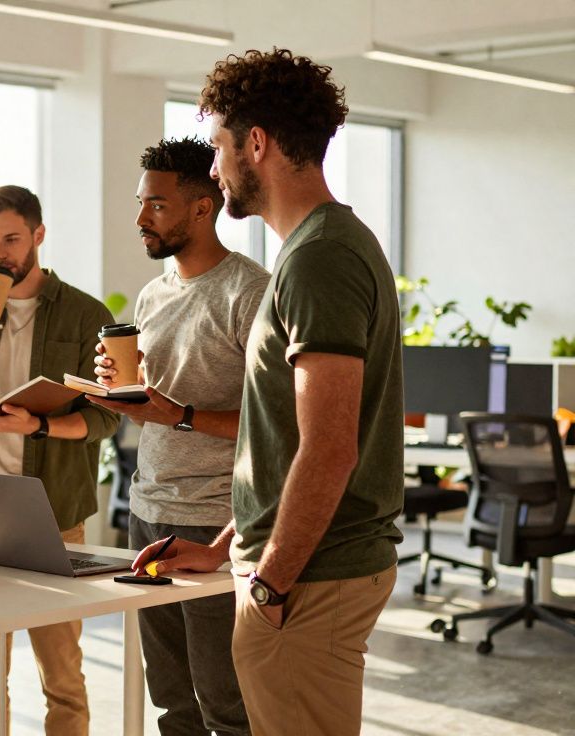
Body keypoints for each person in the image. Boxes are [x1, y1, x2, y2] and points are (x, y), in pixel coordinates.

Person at [134, 49, 405, 736]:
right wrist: (228, 543)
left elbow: (328, 448)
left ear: (257, 144)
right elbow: (281, 446)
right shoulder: (316, 250)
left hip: (311, 577)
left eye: (222, 146)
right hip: (297, 568)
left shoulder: (319, 259)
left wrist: (270, 581)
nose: (218, 167)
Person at [0, 185, 119, 735]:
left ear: (37, 235)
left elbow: (104, 420)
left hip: (55, 515)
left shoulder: (85, 315)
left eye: (10, 238)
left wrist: (36, 425)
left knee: (61, 674)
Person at [91, 137, 266, 736]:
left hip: (215, 520)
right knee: (171, 701)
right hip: (149, 511)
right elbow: (154, 408)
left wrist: (180, 415)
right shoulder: (153, 295)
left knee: (225, 705)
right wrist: (121, 388)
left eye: (157, 205)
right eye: (141, 203)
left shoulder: (252, 292)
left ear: (202, 206)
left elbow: (274, 425)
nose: (142, 218)